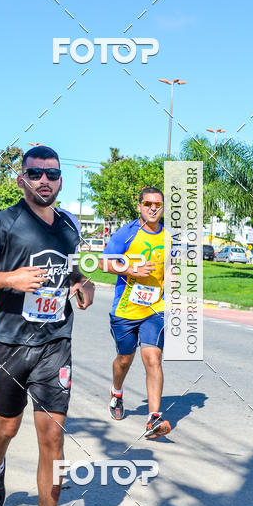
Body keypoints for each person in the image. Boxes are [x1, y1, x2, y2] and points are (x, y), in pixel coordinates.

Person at [0, 146, 95, 506]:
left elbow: (72, 270)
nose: (44, 180)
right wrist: (10, 279)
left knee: (53, 436)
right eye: (35, 173)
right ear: (22, 178)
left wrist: (83, 285)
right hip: (8, 343)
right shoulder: (4, 223)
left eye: (52, 174)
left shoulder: (69, 227)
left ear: (60, 180)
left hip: (55, 343)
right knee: (7, 425)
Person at [102, 186, 171, 439]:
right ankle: (117, 391)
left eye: (158, 204)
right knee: (124, 359)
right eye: (148, 204)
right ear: (139, 206)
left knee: (153, 358)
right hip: (125, 309)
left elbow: (171, 268)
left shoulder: (169, 236)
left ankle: (154, 418)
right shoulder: (126, 234)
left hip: (156, 308)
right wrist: (131, 270)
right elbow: (104, 262)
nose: (153, 208)